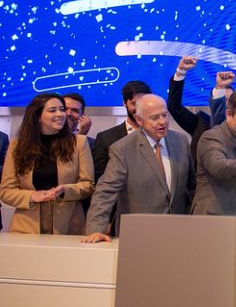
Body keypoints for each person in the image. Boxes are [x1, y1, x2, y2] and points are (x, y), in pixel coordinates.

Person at [81, 95, 195, 242]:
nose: (163, 121)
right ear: (139, 120)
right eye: (155, 118)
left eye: (165, 115)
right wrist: (96, 229)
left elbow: (191, 186)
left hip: (177, 232)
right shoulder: (123, 149)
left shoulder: (180, 141)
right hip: (138, 235)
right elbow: (105, 191)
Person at [0, 93, 94, 234]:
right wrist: (31, 196)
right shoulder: (17, 145)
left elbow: (88, 185)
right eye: (52, 110)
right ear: (37, 116)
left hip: (68, 227)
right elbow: (6, 191)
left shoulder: (79, 143)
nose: (61, 114)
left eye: (61, 109)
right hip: (25, 228)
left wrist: (65, 191)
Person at [167, 56, 226, 162]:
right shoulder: (201, 125)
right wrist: (181, 72)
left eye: (229, 101)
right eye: (221, 100)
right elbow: (174, 107)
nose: (224, 105)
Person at [92, 80, 151, 182]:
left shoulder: (159, 135)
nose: (139, 109)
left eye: (143, 104)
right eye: (134, 103)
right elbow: (100, 179)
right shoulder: (105, 138)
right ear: (124, 103)